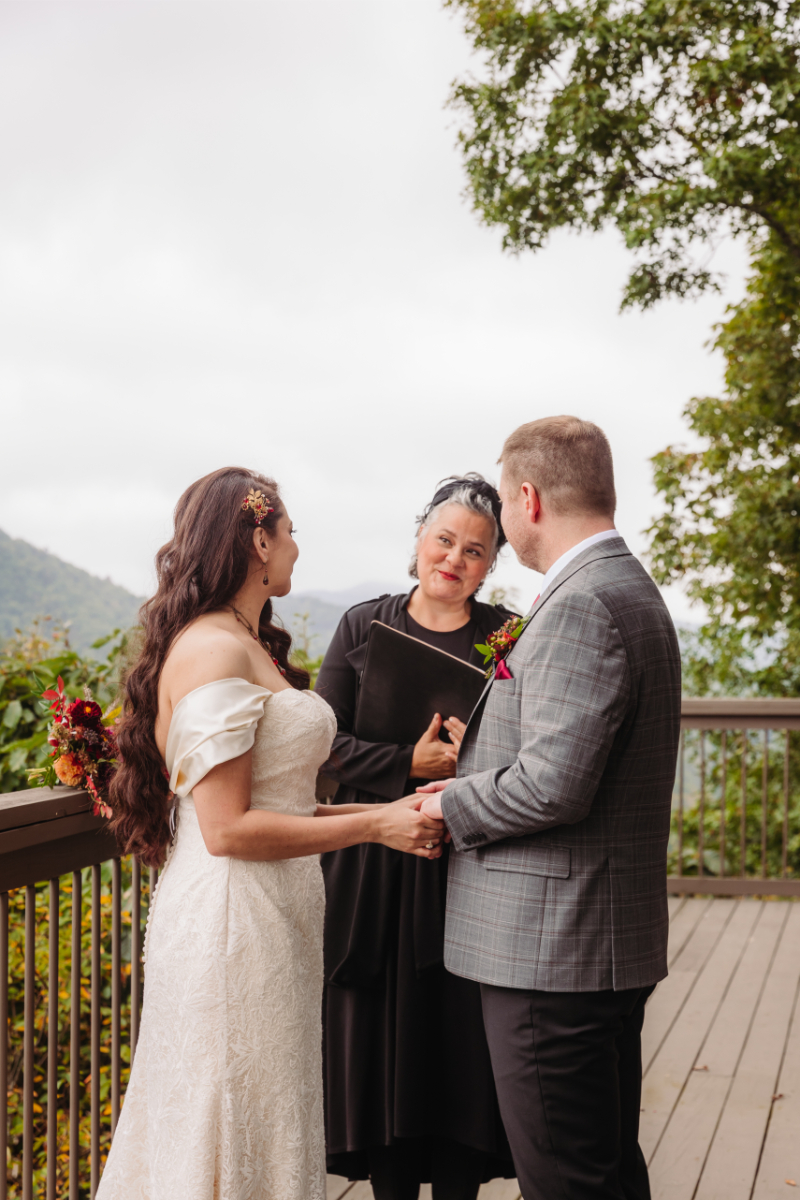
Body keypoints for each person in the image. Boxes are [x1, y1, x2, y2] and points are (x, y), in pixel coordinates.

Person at [96, 467, 444, 1200]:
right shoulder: (213, 650)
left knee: (266, 1119)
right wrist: (374, 821)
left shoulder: (239, 639)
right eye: (289, 532)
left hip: (271, 919)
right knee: (227, 1123)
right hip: (232, 924)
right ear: (259, 538)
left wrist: (381, 826)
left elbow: (275, 803)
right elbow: (226, 830)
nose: (296, 547)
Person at [417, 418, 682, 1200]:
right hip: (589, 942)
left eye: (501, 502)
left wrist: (450, 800)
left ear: (527, 497)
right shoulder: (622, 586)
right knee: (601, 1170)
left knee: (567, 1181)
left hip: (552, 954)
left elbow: (555, 784)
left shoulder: (582, 603)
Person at [316, 474, 516, 1200]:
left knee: (460, 1048)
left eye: (474, 549)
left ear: (492, 562)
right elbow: (325, 746)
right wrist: (409, 761)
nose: (454, 559)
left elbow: (530, 757)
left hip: (467, 868)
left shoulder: (507, 636)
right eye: (443, 540)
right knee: (380, 1048)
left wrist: (474, 762)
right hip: (374, 867)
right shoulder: (362, 626)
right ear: (418, 541)